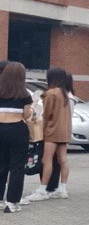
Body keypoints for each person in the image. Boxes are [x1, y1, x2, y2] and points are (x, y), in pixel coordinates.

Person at [24, 68, 72, 203]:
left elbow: (46, 114)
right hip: (64, 130)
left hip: (52, 130)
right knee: (63, 159)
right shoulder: (64, 93)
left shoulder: (51, 93)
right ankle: (62, 189)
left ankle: (42, 190)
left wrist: (42, 130)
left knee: (46, 160)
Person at [0, 62, 34, 213]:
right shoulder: (24, 94)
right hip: (17, 130)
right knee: (17, 167)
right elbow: (26, 115)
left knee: (1, 165)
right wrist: (32, 110)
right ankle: (12, 202)